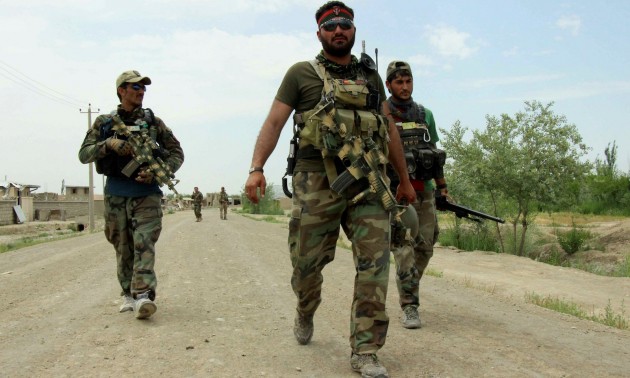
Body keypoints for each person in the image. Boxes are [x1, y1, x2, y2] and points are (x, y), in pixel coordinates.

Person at [244, 2, 415, 377]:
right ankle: (305, 309)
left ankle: (365, 350)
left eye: (345, 24)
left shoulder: (370, 77)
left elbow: (388, 129)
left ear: (353, 31)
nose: (339, 30)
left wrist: (403, 180)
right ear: (319, 33)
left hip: (369, 181)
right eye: (331, 25)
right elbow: (274, 122)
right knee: (306, 265)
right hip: (315, 180)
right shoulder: (300, 74)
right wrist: (257, 168)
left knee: (375, 263)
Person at [78, 70, 184, 319]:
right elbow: (84, 154)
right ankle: (127, 293)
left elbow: (177, 152)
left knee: (144, 243)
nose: (140, 91)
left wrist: (159, 173)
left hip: (147, 194)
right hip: (116, 195)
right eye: (134, 87)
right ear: (121, 91)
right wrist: (108, 145)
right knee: (122, 246)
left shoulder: (154, 123)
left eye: (143, 88)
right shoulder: (105, 123)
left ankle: (144, 294)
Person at [384, 61, 448, 329]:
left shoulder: (425, 115)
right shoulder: (382, 114)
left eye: (408, 81)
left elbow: (434, 155)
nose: (405, 86)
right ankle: (410, 305)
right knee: (404, 248)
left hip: (426, 192)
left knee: (426, 246)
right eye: (399, 82)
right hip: (398, 194)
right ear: (389, 85)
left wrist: (442, 187)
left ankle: (407, 284)